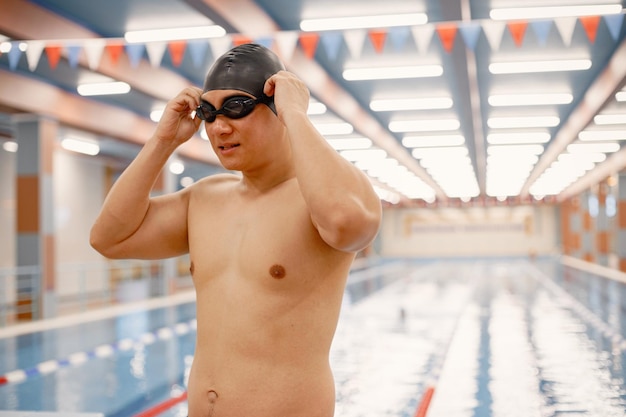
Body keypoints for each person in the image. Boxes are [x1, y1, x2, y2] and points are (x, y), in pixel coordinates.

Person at [90, 43, 382, 417]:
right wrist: (163, 141)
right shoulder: (204, 199)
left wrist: (296, 116)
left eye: (237, 108)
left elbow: (346, 226)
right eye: (209, 114)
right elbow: (108, 238)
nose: (219, 127)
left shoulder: (323, 197)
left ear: (277, 107)